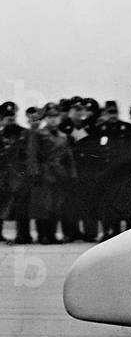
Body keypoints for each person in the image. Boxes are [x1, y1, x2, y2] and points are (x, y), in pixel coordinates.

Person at [28, 104, 76, 243]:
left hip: (60, 175)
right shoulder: (37, 134)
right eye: (50, 117)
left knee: (56, 206)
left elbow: (69, 158)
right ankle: (43, 235)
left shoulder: (64, 136)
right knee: (43, 206)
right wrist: (35, 173)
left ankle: (52, 235)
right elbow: (32, 155)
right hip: (44, 175)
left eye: (55, 117)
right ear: (45, 118)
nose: (53, 120)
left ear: (60, 118)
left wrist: (72, 175)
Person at [92, 101, 131, 240]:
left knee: (126, 202)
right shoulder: (100, 129)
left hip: (124, 171)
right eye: (109, 112)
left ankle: (129, 231)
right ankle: (110, 231)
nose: (112, 115)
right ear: (105, 113)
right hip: (106, 172)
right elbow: (95, 152)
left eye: (114, 112)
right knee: (107, 203)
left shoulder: (127, 128)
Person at [60, 99, 101, 241]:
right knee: (69, 203)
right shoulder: (63, 128)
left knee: (89, 202)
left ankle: (91, 233)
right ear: (70, 112)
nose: (79, 113)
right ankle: (70, 233)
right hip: (69, 172)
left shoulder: (93, 128)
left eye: (81, 110)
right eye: (75, 109)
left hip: (87, 172)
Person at [0, 102, 29, 242]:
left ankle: (23, 235)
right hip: (3, 176)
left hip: (20, 176)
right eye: (7, 116)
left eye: (12, 115)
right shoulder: (0, 135)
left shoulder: (25, 134)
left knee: (21, 207)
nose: (10, 118)